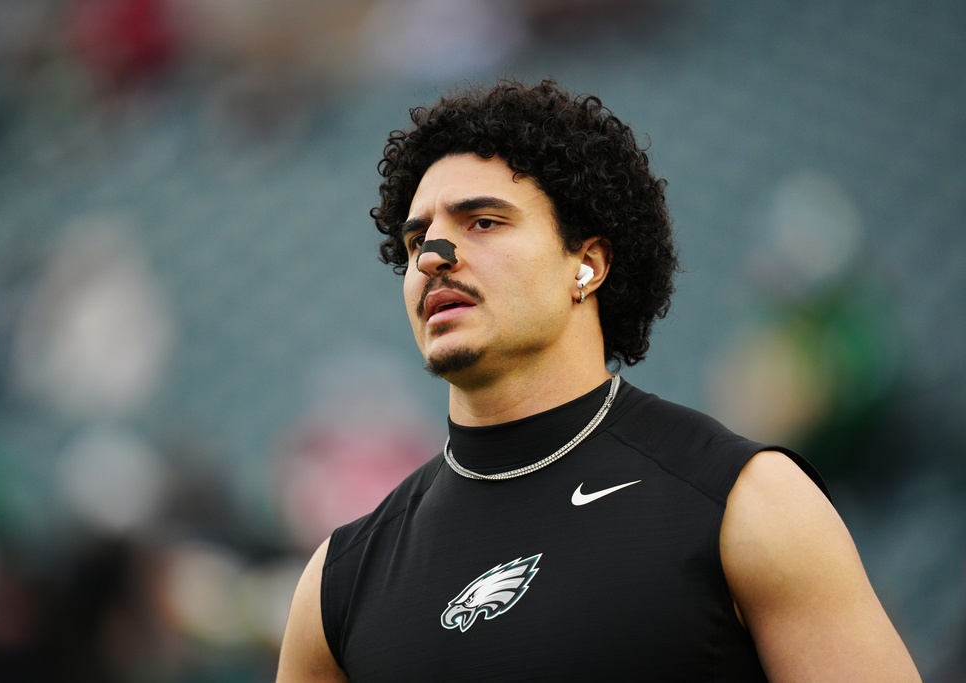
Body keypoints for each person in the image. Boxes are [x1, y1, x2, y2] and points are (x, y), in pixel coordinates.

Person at [276, 79, 920, 682]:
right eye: (418, 240)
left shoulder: (746, 502)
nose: (435, 258)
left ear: (586, 265)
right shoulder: (338, 584)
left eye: (483, 222)